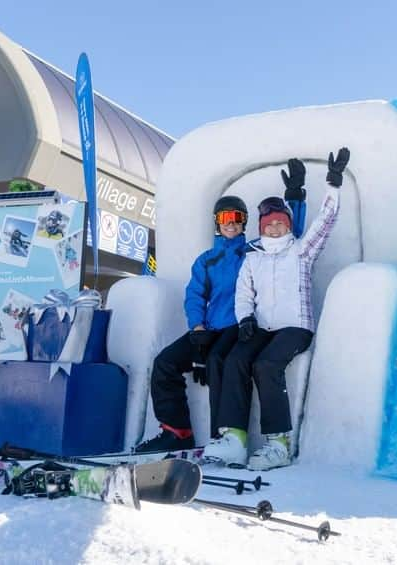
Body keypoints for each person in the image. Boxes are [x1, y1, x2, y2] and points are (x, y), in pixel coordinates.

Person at [133, 175, 307, 454]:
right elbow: (195, 295)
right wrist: (197, 327)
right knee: (165, 362)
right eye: (226, 217)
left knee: (217, 363)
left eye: (238, 217)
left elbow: (287, 233)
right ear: (217, 221)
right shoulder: (207, 259)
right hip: (208, 329)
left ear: (245, 222)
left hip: (237, 327)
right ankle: (176, 431)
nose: (232, 223)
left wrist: (295, 198)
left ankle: (221, 437)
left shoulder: (254, 251)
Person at [202, 147, 349, 471]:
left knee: (267, 365)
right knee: (236, 359)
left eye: (280, 223)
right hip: (262, 327)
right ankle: (235, 438)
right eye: (268, 224)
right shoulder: (252, 257)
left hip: (295, 328)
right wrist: (245, 320)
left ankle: (278, 443)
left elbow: (325, 223)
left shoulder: (301, 251)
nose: (274, 228)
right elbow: (243, 294)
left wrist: (333, 185)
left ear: (288, 225)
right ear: (261, 227)